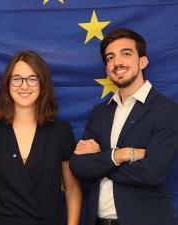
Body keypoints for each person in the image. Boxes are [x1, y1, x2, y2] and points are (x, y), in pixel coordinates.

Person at [70, 28, 178, 225]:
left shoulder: (167, 110)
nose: (117, 62)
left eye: (126, 54)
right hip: (97, 220)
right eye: (110, 57)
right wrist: (121, 155)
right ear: (106, 68)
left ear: (143, 61)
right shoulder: (100, 112)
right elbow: (79, 166)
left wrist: (100, 159)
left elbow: (153, 172)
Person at [0, 50, 82, 225]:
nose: (24, 85)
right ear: (7, 84)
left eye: (32, 79)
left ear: (43, 85)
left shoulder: (61, 132)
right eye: (17, 78)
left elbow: (72, 189)